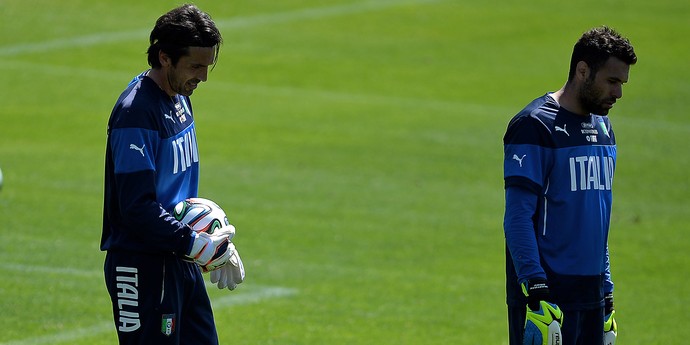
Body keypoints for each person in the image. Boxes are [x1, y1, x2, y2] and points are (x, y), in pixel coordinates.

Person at [101, 4, 244, 344]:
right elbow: (136, 207)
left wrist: (214, 238)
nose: (204, 77)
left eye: (207, 66)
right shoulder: (136, 113)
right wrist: (196, 243)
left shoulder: (180, 97)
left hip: (178, 257)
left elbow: (177, 194)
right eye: (196, 66)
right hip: (142, 265)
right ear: (165, 57)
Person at [503, 26, 637, 344]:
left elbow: (595, 219)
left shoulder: (604, 129)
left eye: (622, 83)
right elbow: (518, 217)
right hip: (548, 295)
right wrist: (535, 288)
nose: (618, 93)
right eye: (612, 81)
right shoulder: (534, 126)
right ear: (582, 70)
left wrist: (606, 293)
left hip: (591, 295)